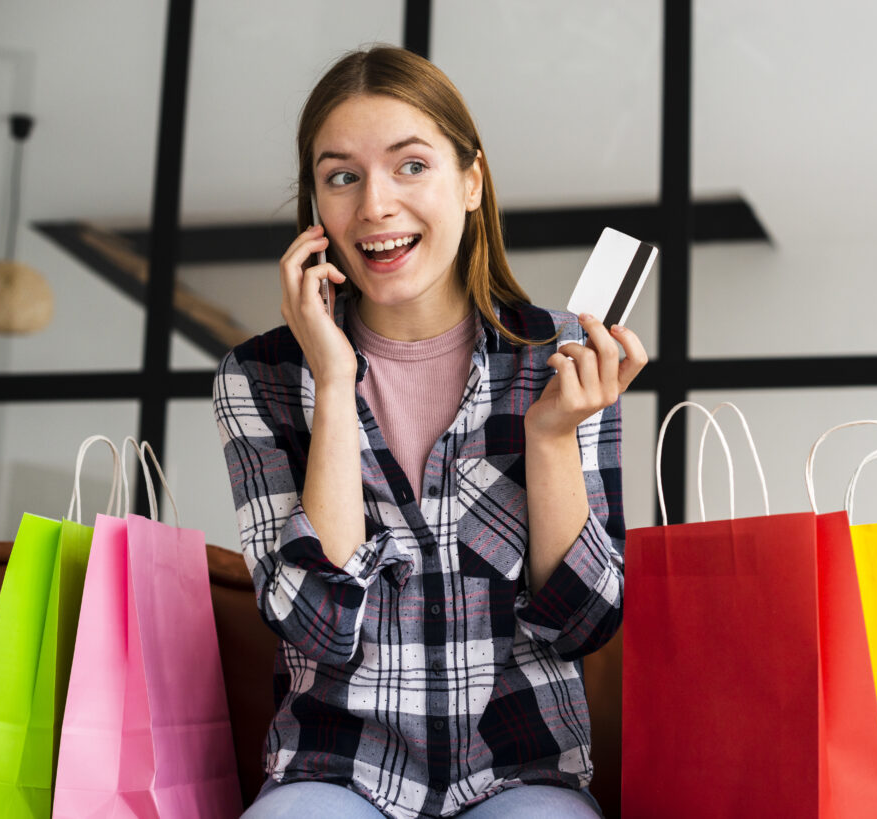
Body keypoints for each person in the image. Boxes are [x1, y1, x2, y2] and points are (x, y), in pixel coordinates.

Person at [213, 45, 646, 819]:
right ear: (317, 207)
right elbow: (317, 623)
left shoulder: (563, 360)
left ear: (471, 182)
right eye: (341, 176)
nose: (374, 204)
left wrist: (551, 438)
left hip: (522, 771)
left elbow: (586, 622)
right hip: (334, 769)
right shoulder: (259, 379)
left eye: (411, 166)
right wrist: (335, 381)